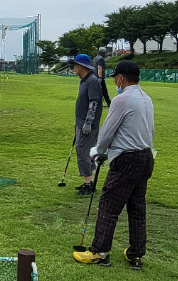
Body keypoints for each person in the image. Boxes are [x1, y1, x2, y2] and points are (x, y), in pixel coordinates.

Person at [73, 60, 155, 270]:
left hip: (127, 161)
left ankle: (100, 252)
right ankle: (136, 254)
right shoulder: (147, 99)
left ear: (120, 78)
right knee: (137, 208)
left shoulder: (121, 99)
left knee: (108, 206)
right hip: (146, 157)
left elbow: (107, 132)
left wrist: (99, 152)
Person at [69, 54, 103, 196]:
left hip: (87, 125)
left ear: (82, 67)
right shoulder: (84, 81)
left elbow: (93, 103)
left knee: (83, 153)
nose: (74, 68)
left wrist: (87, 123)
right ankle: (89, 181)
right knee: (85, 152)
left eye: (75, 65)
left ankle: (88, 183)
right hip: (81, 123)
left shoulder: (92, 81)